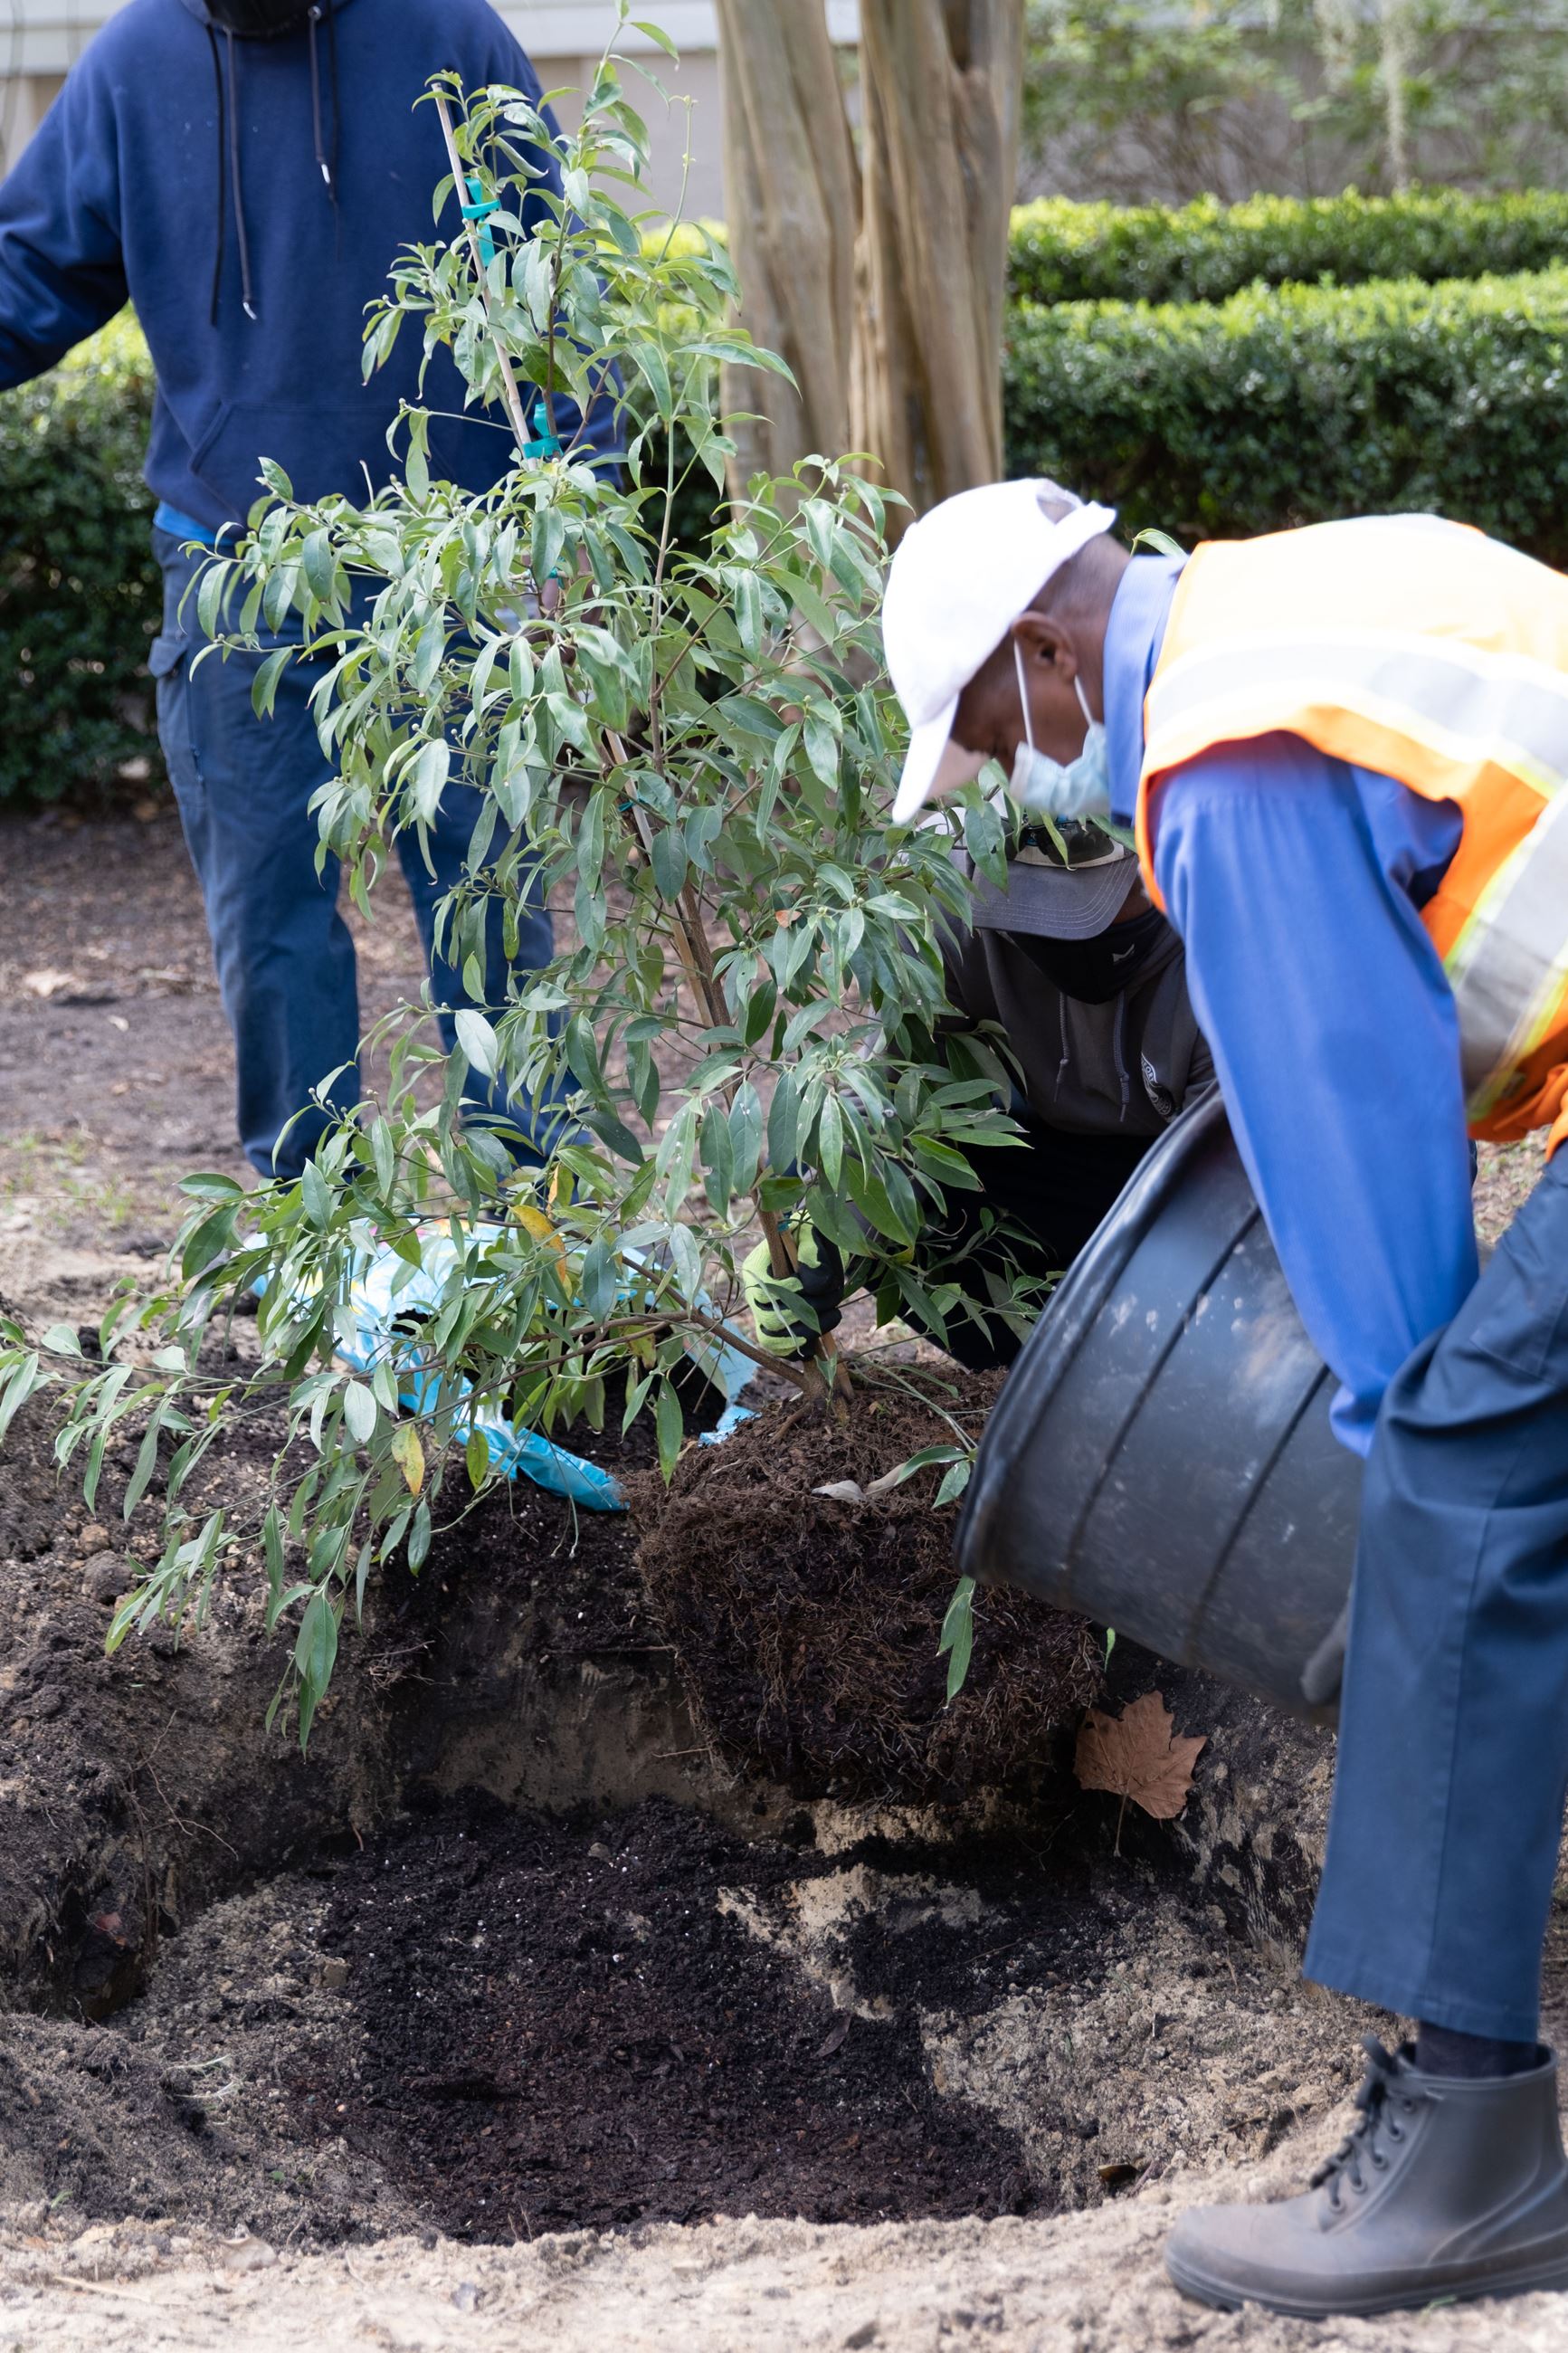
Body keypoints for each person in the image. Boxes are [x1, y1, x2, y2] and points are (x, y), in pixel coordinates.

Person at [889, 477, 1568, 2320]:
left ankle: (1463, 2147)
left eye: (981, 741)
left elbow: (1377, 1250)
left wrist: (1405, 1541)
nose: (1015, 784)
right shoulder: (1294, 595)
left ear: (1040, 653)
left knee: (1456, 1472)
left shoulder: (1227, 761)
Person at [0, 0, 616, 1178]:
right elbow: (28, 271)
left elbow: (559, 277)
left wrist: (581, 491)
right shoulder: (136, 61)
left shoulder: (447, 33)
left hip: (454, 561)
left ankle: (541, 1260)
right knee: (274, 940)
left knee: (490, 914)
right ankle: (319, 1256)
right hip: (237, 571)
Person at [744, 810, 1212, 1368]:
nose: (1060, 932)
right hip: (1034, 1156)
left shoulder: (1225, 943)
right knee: (887, 1194)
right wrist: (818, 1217)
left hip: (1191, 1184)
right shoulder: (945, 892)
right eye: (1030, 909)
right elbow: (895, 1086)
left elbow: (1251, 1197)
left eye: (1089, 907)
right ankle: (1024, 1381)